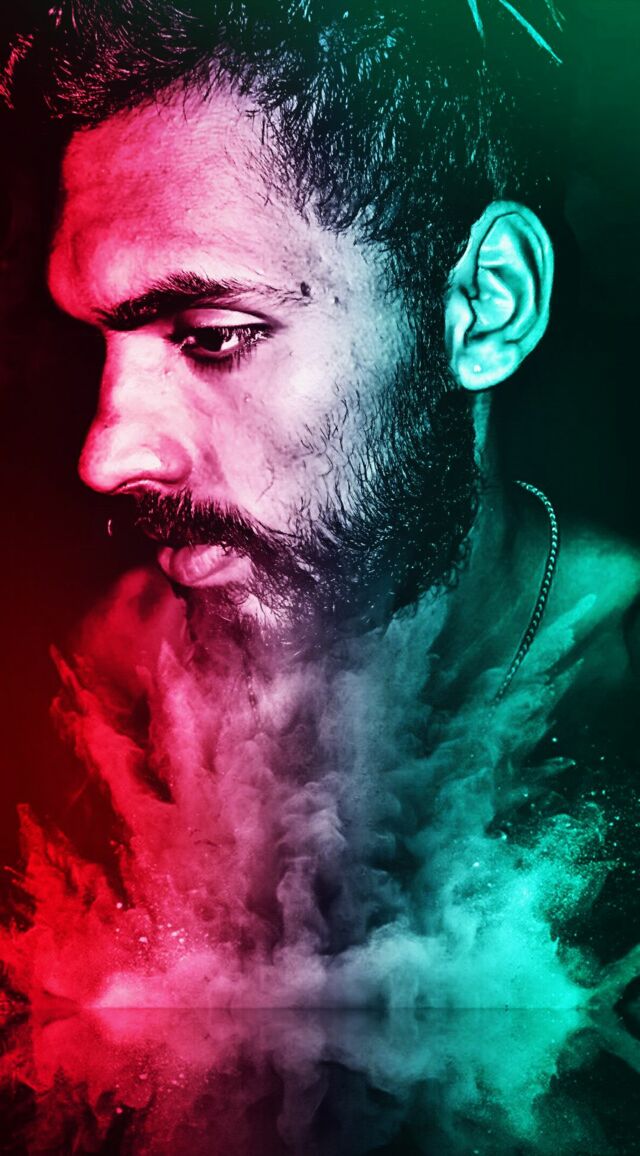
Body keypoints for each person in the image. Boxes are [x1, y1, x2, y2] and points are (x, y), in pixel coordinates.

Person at [2, 0, 640, 1015]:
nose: (108, 454)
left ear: (486, 305)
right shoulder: (103, 685)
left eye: (212, 335)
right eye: (100, 342)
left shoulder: (619, 698)